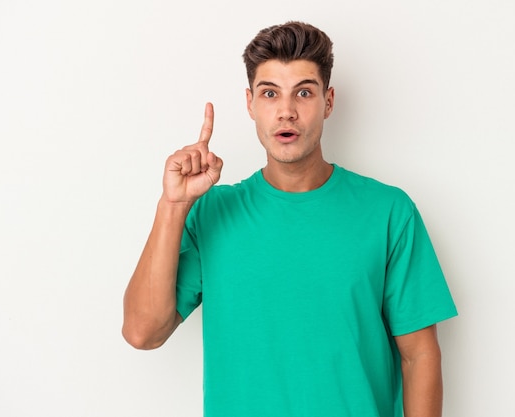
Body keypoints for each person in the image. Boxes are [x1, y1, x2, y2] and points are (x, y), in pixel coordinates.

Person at [123, 21, 457, 417]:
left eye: (303, 92)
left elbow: (419, 356)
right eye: (269, 93)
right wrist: (173, 205)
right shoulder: (212, 211)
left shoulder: (388, 211)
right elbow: (143, 332)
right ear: (250, 103)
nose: (286, 111)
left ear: (328, 101)